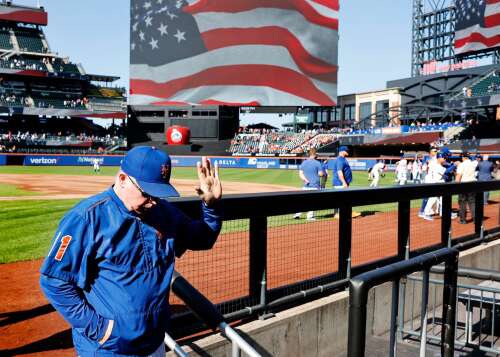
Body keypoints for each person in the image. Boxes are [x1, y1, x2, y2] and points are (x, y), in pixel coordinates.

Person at [39, 146, 223, 357]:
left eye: (158, 193)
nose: (153, 201)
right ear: (123, 179)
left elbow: (203, 238)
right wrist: (99, 330)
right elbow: (53, 280)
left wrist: (211, 206)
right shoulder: (87, 218)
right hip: (107, 350)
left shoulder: (163, 212)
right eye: (147, 193)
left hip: (154, 343)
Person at [293, 148, 324, 221]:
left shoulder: (304, 162)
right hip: (315, 186)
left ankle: (297, 214)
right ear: (315, 154)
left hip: (305, 186)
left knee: (303, 201)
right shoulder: (317, 163)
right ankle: (310, 216)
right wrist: (322, 173)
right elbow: (320, 174)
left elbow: (300, 174)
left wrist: (305, 180)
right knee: (313, 202)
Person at [332, 146, 360, 218]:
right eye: (346, 150)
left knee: (342, 199)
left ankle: (341, 213)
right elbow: (339, 171)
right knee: (342, 199)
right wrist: (344, 182)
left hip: (341, 183)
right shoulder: (340, 160)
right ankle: (339, 214)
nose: (347, 151)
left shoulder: (342, 159)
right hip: (340, 183)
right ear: (341, 151)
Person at [456, 152, 477, 224]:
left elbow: (458, 176)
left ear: (463, 157)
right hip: (473, 184)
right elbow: (476, 161)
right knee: (472, 202)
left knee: (462, 203)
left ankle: (463, 220)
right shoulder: (473, 163)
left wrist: (456, 186)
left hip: (463, 185)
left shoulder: (461, 164)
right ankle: (475, 219)